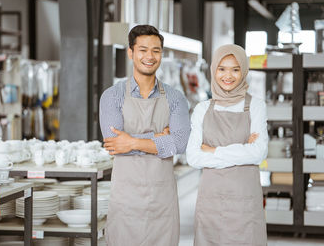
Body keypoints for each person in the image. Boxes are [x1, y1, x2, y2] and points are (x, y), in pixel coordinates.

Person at [99, 25, 190, 246]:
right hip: (126, 199)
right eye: (143, 49)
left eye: (156, 50)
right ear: (130, 52)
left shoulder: (176, 98)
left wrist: (131, 141)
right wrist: (159, 140)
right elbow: (114, 144)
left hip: (163, 200)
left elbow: (179, 143)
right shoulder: (112, 96)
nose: (150, 56)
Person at [186, 44, 268, 246]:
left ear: (244, 71)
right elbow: (194, 157)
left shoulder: (256, 106)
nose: (227, 76)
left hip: (245, 204)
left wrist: (213, 150)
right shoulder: (202, 109)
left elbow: (258, 152)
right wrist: (242, 149)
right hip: (211, 204)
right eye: (222, 69)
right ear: (214, 70)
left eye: (235, 69)